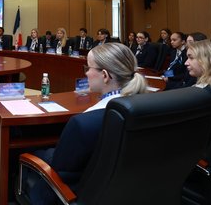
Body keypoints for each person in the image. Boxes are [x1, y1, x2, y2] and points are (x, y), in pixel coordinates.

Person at [24, 43, 148, 204]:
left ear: (105, 75)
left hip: (74, 193)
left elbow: (60, 170)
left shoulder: (83, 123)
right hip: (132, 192)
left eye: (88, 68)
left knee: (33, 153)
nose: (86, 73)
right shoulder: (148, 110)